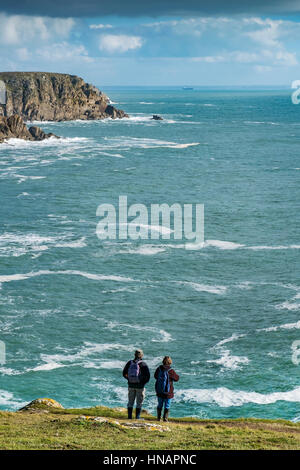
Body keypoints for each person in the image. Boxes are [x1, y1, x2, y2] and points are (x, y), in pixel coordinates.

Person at [123, 349, 150, 419]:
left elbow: (124, 373)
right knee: (139, 403)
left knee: (130, 402)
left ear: (134, 355)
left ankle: (129, 417)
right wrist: (142, 383)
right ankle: (137, 417)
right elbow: (148, 376)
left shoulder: (130, 363)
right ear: (141, 355)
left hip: (131, 385)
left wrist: (129, 380)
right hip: (140, 386)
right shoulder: (143, 364)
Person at [154, 356, 179, 422]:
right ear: (170, 362)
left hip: (159, 391)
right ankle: (165, 419)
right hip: (168, 392)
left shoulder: (159, 369)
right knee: (167, 405)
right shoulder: (171, 371)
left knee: (160, 404)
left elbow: (155, 376)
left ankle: (158, 418)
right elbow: (177, 378)